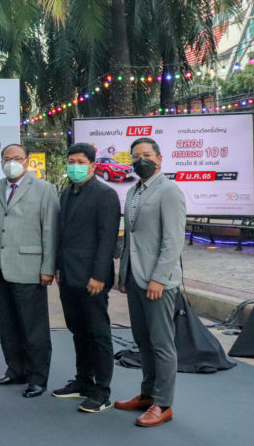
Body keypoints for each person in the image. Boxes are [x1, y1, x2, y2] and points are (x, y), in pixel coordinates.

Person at [114, 137, 186, 427]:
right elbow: (131, 238)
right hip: (135, 278)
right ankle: (147, 394)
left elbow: (173, 241)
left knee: (161, 344)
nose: (140, 160)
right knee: (143, 341)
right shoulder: (133, 191)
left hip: (158, 282)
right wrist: (124, 275)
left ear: (159, 159)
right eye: (135, 156)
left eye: (146, 155)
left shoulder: (169, 191)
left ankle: (163, 403)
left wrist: (159, 278)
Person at [0, 143, 58, 398]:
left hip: (30, 268)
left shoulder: (44, 189)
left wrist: (48, 267)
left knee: (33, 328)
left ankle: (37, 377)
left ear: (27, 161)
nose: (12, 162)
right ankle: (15, 370)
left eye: (17, 158)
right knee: (8, 326)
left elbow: (50, 230)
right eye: (7, 159)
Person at [52, 143, 120, 413]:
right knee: (78, 331)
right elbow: (62, 236)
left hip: (92, 278)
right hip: (68, 276)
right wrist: (58, 268)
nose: (75, 166)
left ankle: (102, 391)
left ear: (92, 166)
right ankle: (83, 381)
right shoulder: (66, 193)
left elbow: (107, 239)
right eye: (71, 161)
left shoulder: (105, 195)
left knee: (98, 334)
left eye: (80, 162)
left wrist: (99, 275)